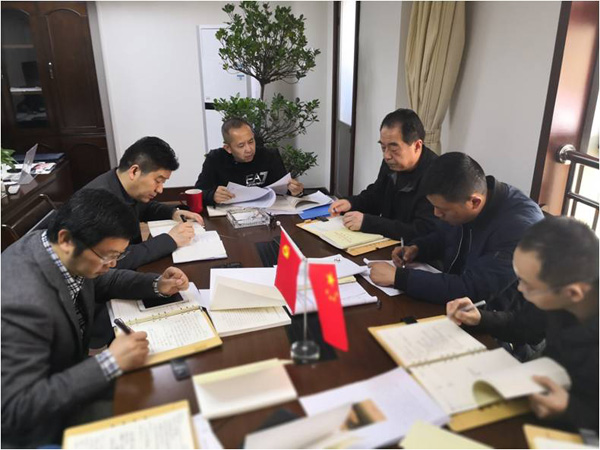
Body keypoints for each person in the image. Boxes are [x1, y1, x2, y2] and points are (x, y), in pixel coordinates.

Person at [1, 189, 190, 448]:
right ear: (66, 240)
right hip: (39, 428)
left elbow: (102, 280)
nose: (111, 264)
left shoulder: (54, 247)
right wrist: (109, 362)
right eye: (107, 256)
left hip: (68, 372)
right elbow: (15, 409)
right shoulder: (21, 303)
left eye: (118, 256)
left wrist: (157, 285)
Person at [446, 217, 598, 432]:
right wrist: (481, 318)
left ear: (572, 293)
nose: (519, 289)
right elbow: (527, 326)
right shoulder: (560, 291)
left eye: (528, 284)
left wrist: (570, 409)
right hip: (548, 387)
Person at [369, 152, 544, 303]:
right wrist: (418, 249)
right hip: (455, 304)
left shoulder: (519, 230)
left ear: (474, 202)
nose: (436, 214)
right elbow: (445, 236)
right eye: (433, 206)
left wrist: (399, 278)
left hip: (493, 318)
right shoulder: (467, 200)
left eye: (442, 209)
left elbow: (471, 289)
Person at [83, 136, 203, 271]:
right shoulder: (99, 203)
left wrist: (173, 212)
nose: (160, 189)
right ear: (134, 171)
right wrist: (170, 240)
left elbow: (145, 208)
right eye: (158, 181)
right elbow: (114, 261)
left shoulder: (122, 186)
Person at [328, 108, 439, 240]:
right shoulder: (391, 163)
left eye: (393, 149)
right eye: (383, 147)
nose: (386, 156)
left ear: (417, 146)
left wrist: (367, 223)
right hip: (387, 242)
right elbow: (376, 195)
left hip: (413, 248)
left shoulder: (436, 174)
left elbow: (421, 230)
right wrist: (351, 203)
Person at [194, 118, 304, 205]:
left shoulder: (269, 156)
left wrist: (295, 191)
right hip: (229, 215)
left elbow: (284, 189)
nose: (249, 149)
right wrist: (212, 195)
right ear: (228, 148)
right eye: (241, 145)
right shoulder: (215, 159)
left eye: (251, 141)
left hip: (267, 212)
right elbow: (197, 193)